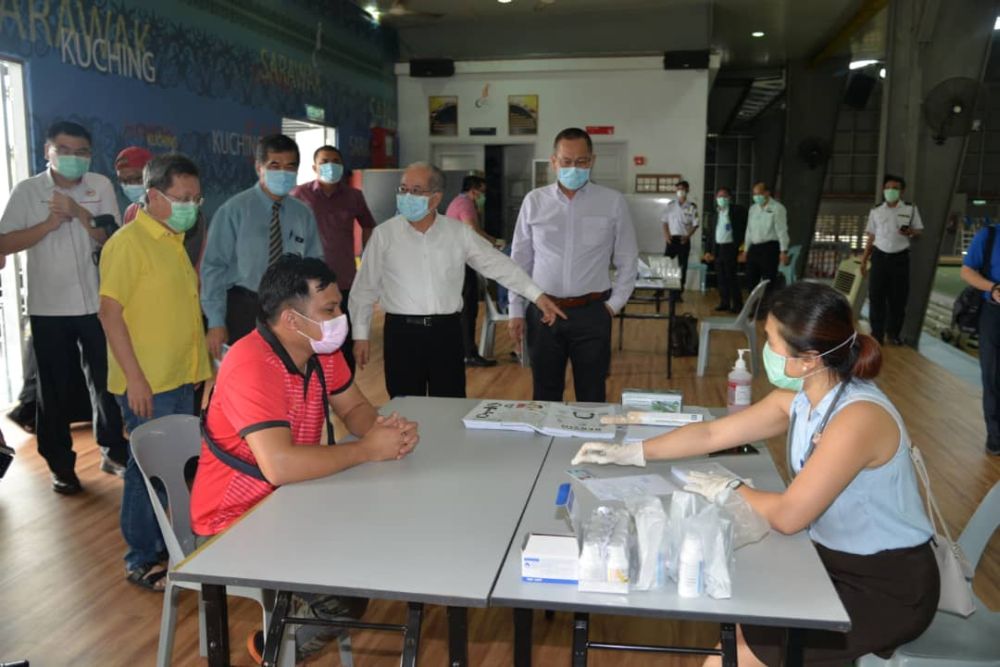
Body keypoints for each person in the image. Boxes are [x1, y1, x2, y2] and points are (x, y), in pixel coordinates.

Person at [573, 281, 939, 666]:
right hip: (829, 561)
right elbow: (713, 432)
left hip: (885, 587)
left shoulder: (857, 419)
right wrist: (633, 451)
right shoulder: (804, 399)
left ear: (809, 359)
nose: (765, 350)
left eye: (771, 340)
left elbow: (788, 516)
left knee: (732, 654)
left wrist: (729, 487)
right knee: (742, 620)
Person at [189, 254, 419, 663]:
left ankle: (286, 619)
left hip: (294, 500)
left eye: (339, 307)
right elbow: (279, 466)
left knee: (378, 545)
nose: (339, 318)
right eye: (329, 310)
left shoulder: (320, 351)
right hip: (235, 519)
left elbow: (354, 409)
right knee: (345, 597)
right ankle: (273, 648)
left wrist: (385, 432)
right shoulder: (251, 364)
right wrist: (367, 449)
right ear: (291, 320)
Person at [349, 162, 565, 399]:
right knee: (404, 405)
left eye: (416, 190)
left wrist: (537, 295)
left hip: (446, 333)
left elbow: (498, 265)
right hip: (402, 334)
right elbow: (364, 288)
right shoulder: (384, 235)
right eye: (403, 189)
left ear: (435, 197)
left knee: (449, 403)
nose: (406, 196)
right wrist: (360, 335)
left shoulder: (457, 233)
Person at [98, 153, 213, 591]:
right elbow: (110, 314)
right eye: (182, 197)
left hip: (181, 377)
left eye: (196, 198)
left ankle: (168, 544)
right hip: (149, 383)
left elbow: (180, 312)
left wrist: (198, 368)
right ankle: (142, 556)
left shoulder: (173, 240)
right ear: (152, 196)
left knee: (174, 466)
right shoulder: (128, 244)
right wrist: (136, 380)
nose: (191, 206)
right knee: (146, 470)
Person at [0, 120, 129, 494]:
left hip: (96, 302)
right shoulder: (28, 191)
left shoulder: (100, 186)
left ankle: (113, 450)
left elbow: (113, 239)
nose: (74, 158)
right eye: (65, 151)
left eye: (82, 152)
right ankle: (60, 465)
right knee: (52, 390)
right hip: (48, 307)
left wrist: (78, 212)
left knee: (106, 382)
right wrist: (47, 225)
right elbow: (4, 243)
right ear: (48, 152)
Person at [509, 127, 639, 403]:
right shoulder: (534, 201)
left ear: (591, 161)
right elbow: (519, 262)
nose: (573, 167)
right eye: (566, 161)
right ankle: (545, 445)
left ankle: (590, 446)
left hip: (592, 312)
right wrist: (516, 310)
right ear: (554, 161)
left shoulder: (612, 202)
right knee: (545, 394)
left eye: (581, 161)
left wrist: (612, 306)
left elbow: (628, 260)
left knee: (592, 395)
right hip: (543, 312)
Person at [200, 133, 322, 359]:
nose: (283, 172)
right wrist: (216, 321)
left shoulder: (303, 214)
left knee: (288, 375)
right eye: (275, 165)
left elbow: (315, 268)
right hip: (244, 308)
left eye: (290, 167)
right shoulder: (234, 210)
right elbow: (213, 268)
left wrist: (314, 313)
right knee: (247, 378)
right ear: (259, 168)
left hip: (290, 309)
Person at [291, 145, 376, 373]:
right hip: (308, 285)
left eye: (336, 161)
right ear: (314, 167)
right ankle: (313, 393)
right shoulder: (300, 195)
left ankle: (344, 387)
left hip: (344, 280)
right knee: (310, 339)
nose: (331, 166)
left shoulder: (353, 196)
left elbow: (368, 224)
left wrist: (365, 257)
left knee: (343, 340)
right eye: (325, 161)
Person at [446, 174, 504, 367]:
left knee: (465, 308)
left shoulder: (458, 201)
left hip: (457, 260)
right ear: (473, 190)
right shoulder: (465, 204)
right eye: (482, 192)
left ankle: (463, 350)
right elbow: (472, 230)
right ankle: (468, 353)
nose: (483, 196)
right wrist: (494, 241)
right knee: (468, 309)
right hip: (460, 262)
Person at [860, 174, 923, 346]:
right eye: (888, 188)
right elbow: (871, 236)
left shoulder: (910, 209)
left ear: (902, 191)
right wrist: (864, 260)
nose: (890, 191)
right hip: (880, 257)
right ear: (883, 190)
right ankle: (877, 334)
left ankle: (893, 334)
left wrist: (910, 232)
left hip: (900, 259)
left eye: (895, 188)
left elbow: (918, 231)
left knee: (898, 299)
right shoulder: (876, 210)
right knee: (876, 297)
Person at [960, 221, 1000, 455]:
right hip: (994, 314)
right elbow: (967, 270)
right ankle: (995, 437)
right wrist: (992, 287)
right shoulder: (990, 235)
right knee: (993, 376)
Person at [740, 182, 789, 309]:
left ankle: (767, 310)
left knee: (768, 281)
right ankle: (754, 308)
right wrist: (745, 250)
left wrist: (783, 251)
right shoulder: (753, 209)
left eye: (759, 193)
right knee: (751, 279)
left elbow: (782, 230)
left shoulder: (778, 208)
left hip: (770, 247)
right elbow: (748, 230)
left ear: (767, 193)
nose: (757, 196)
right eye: (754, 194)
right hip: (754, 247)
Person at [703, 187, 748, 313]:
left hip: (730, 247)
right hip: (717, 248)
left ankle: (737, 304)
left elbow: (744, 229)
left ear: (729, 198)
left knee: (731, 276)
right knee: (720, 277)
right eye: (719, 197)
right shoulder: (715, 213)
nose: (721, 199)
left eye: (723, 196)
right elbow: (710, 234)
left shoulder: (737, 211)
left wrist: (740, 249)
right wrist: (708, 251)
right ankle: (724, 302)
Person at [661, 180, 699, 295]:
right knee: (664, 264)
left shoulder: (692, 206)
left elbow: (695, 224)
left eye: (682, 189)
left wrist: (688, 236)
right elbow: (664, 222)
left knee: (682, 267)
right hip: (672, 239)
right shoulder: (671, 205)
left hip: (684, 240)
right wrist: (666, 236)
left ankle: (678, 293)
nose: (679, 191)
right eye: (678, 189)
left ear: (687, 190)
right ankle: (660, 289)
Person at [115, 146, 153, 223]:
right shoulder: (130, 212)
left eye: (133, 178)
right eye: (123, 181)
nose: (129, 186)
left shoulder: (171, 210)